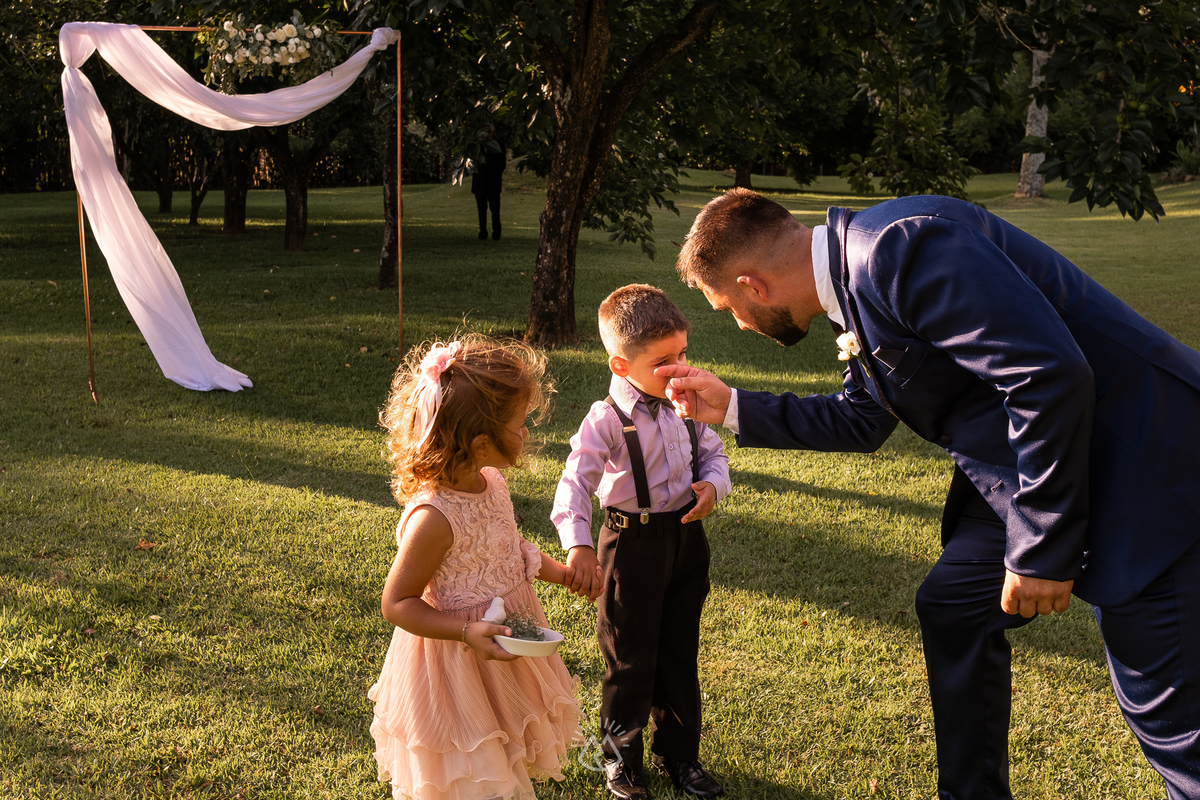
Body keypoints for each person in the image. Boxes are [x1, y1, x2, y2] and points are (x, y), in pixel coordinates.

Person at [659, 188, 1200, 800]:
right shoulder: (853, 274)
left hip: (1145, 470)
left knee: (1175, 726)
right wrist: (730, 407)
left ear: (754, 286)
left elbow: (1048, 376)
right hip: (1034, 471)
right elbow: (863, 418)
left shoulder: (899, 249)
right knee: (953, 606)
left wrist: (1042, 552)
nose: (738, 323)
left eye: (727, 306)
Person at [369, 335, 585, 800]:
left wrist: (563, 574)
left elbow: (509, 550)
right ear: (482, 442)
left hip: (506, 642)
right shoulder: (432, 518)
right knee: (474, 765)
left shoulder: (491, 480)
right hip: (457, 662)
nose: (526, 433)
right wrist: (465, 632)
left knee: (508, 742)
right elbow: (396, 602)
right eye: (520, 424)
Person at [553, 284, 732, 800]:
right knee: (629, 657)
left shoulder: (686, 401)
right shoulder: (606, 420)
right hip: (630, 548)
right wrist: (579, 544)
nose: (678, 369)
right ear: (622, 365)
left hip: (685, 540)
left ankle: (681, 756)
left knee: (679, 649)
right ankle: (621, 763)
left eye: (682, 354)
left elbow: (715, 453)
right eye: (663, 361)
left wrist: (712, 487)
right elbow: (574, 483)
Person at [471, 124, 506, 241]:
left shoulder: (498, 145)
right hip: (479, 181)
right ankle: (483, 232)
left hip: (493, 181)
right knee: (481, 209)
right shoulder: (476, 145)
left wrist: (495, 174)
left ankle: (496, 233)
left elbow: (502, 163)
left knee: (495, 209)